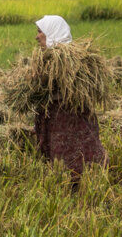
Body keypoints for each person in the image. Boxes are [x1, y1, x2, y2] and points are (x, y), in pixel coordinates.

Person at [32, 15, 107, 184]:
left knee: (72, 158)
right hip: (55, 118)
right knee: (60, 163)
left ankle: (80, 185)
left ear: (51, 33)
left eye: (40, 32)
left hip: (68, 119)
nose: (37, 37)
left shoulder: (68, 60)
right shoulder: (52, 58)